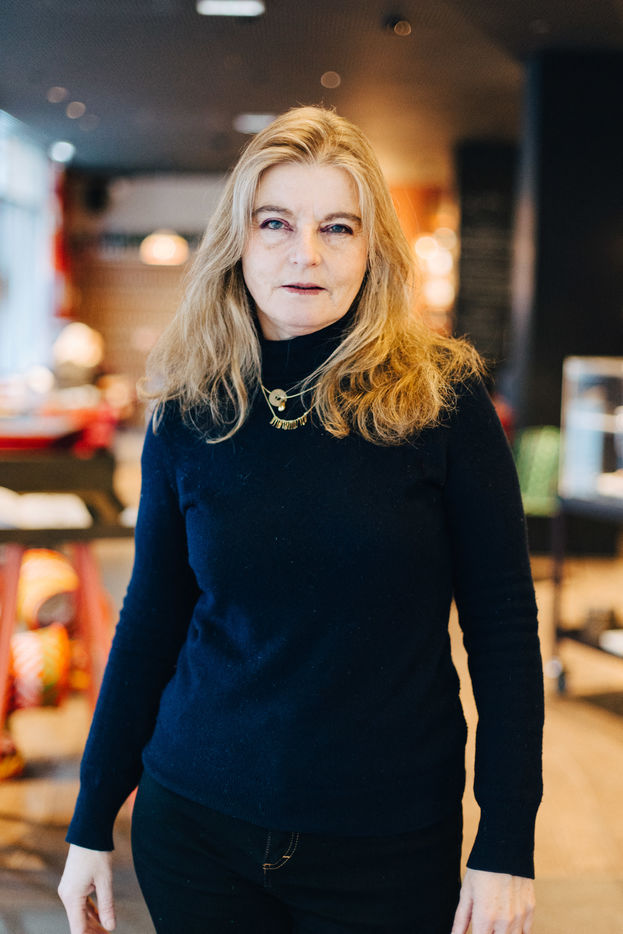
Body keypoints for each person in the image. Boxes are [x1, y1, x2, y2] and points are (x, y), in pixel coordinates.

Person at [58, 105, 544, 934]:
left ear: (372, 248)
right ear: (237, 240)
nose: (305, 253)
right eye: (275, 222)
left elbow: (501, 628)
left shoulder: (441, 398)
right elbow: (151, 620)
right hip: (194, 826)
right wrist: (91, 818)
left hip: (386, 841)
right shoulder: (190, 405)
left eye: (337, 227)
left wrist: (506, 841)